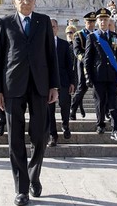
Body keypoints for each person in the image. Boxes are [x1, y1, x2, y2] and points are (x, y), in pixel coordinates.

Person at [0, 0, 59, 206]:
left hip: (40, 85)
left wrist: (54, 86)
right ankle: (21, 189)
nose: (26, 2)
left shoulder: (43, 21)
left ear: (35, 1)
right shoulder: (5, 22)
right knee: (14, 139)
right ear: (14, 1)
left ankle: (34, 175)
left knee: (40, 135)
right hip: (12, 86)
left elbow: (51, 55)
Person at [84, 8, 117, 141]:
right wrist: (88, 76)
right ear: (97, 22)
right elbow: (88, 59)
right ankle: (100, 124)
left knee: (114, 103)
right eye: (101, 19)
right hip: (98, 76)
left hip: (113, 76)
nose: (103, 21)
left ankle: (116, 131)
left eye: (105, 19)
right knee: (100, 102)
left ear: (109, 20)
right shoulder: (92, 37)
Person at [47, 19, 76, 147]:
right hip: (47, 83)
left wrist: (72, 82)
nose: (51, 28)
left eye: (53, 26)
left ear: (57, 28)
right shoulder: (40, 45)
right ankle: (52, 135)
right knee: (49, 110)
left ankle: (65, 125)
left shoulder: (64, 45)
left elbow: (70, 65)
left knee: (65, 105)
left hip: (63, 81)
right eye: (49, 27)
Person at [69, 11, 96, 120]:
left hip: (96, 65)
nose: (91, 24)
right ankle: (73, 108)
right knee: (82, 87)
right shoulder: (79, 34)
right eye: (89, 21)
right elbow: (77, 51)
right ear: (85, 22)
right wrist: (85, 59)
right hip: (83, 65)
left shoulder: (97, 34)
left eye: (93, 21)